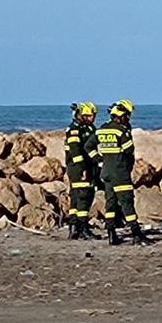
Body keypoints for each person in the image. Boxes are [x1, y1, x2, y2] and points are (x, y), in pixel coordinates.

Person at [96, 100, 148, 246]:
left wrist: (100, 160)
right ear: (121, 115)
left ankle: (111, 234)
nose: (129, 118)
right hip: (120, 173)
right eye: (127, 115)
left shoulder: (102, 129)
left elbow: (89, 146)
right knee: (127, 203)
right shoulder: (121, 130)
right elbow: (129, 149)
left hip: (106, 172)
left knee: (110, 204)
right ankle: (136, 234)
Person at [63, 102, 101, 240]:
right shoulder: (74, 129)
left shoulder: (90, 128)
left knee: (77, 197)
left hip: (88, 166)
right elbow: (76, 152)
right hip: (78, 168)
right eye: (90, 116)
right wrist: (82, 169)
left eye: (94, 115)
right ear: (82, 115)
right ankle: (82, 228)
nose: (93, 118)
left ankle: (75, 228)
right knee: (83, 196)